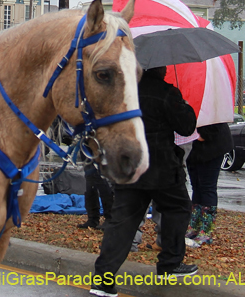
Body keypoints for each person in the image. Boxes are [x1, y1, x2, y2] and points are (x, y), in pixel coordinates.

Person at [90, 67, 198, 297]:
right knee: (177, 209)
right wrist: (185, 106)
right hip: (162, 168)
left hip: (129, 164)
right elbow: (186, 126)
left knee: (121, 222)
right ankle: (170, 264)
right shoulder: (167, 92)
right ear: (161, 70)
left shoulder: (124, 93)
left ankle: (102, 280)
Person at [185, 122, 233, 246]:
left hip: (212, 146)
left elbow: (215, 125)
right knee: (196, 186)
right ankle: (194, 226)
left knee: (207, 187)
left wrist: (201, 134)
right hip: (194, 147)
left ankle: (206, 230)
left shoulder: (214, 106)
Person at [78, 161, 114, 230]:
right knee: (89, 178)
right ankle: (92, 219)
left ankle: (110, 218)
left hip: (98, 153)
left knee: (101, 179)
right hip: (87, 152)